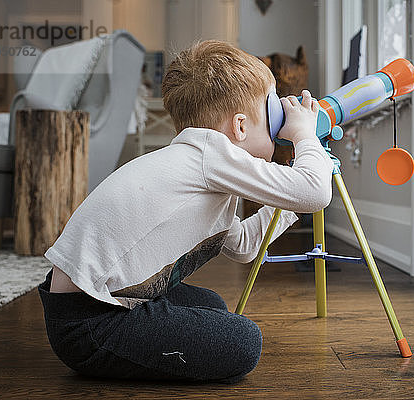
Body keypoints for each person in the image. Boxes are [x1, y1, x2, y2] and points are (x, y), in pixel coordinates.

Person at [38, 40, 334, 383]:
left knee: (212, 306)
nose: (281, 126)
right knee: (244, 342)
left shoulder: (200, 162)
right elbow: (316, 192)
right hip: (88, 321)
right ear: (239, 127)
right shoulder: (211, 154)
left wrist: (289, 204)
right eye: (274, 116)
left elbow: (243, 247)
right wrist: (304, 135)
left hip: (83, 301)